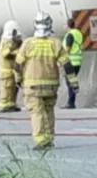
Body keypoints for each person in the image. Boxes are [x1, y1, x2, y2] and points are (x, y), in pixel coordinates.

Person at [14, 12, 79, 150]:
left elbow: (18, 64)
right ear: (50, 25)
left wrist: (18, 79)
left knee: (36, 112)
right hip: (51, 87)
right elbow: (67, 65)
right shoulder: (55, 44)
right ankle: (49, 138)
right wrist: (74, 83)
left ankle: (40, 140)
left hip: (32, 87)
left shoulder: (27, 44)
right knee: (49, 110)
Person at [0, 20, 22, 113]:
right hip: (5, 71)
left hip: (12, 70)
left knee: (13, 89)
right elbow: (6, 53)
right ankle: (4, 104)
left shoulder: (11, 41)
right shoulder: (6, 42)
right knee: (6, 88)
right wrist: (17, 52)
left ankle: (11, 104)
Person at [62, 18, 83, 109]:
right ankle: (74, 87)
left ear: (68, 25)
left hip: (70, 61)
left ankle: (71, 103)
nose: (64, 25)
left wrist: (61, 58)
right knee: (71, 80)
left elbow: (67, 48)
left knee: (69, 82)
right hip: (77, 61)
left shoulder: (70, 34)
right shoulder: (78, 33)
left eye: (64, 24)